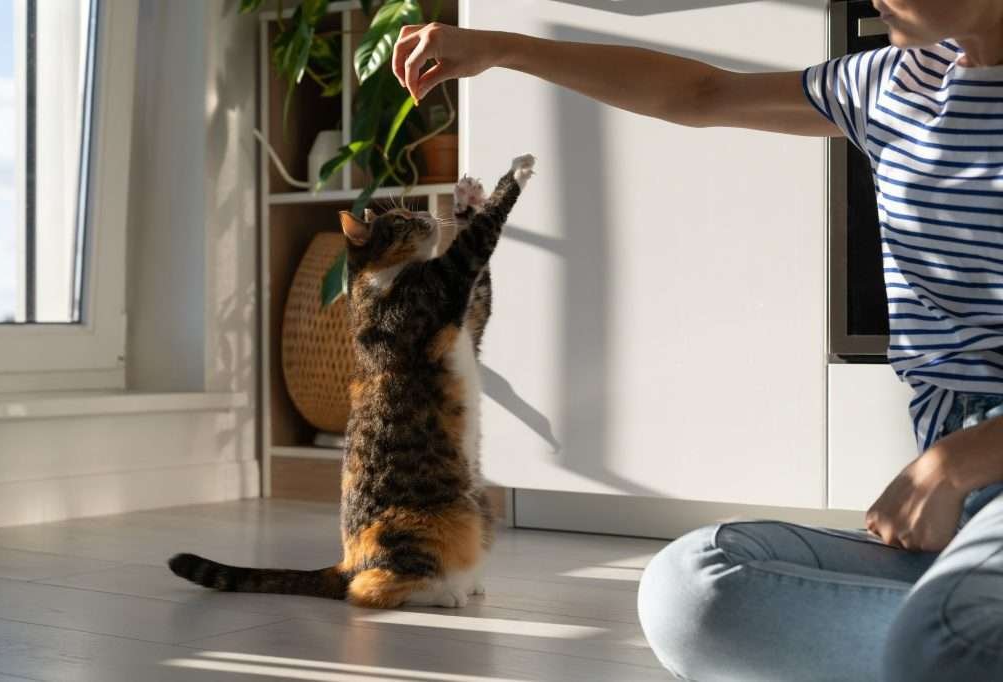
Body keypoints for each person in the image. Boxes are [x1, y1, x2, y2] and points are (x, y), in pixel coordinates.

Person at [393, 2, 1003, 680]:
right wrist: (502, 48)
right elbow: (700, 93)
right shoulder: (894, 85)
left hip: (977, 473)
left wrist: (963, 460)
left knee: (942, 641)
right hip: (955, 513)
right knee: (692, 590)